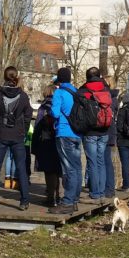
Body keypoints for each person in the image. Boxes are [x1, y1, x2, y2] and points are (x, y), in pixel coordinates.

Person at [0, 66, 33, 211]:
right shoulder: (23, 96)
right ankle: (24, 201)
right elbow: (28, 114)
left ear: (4, 77)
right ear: (16, 77)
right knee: (21, 168)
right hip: (17, 135)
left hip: (1, 135)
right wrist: (23, 128)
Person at [49, 67, 80, 214]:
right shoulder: (76, 92)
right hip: (77, 133)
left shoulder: (59, 92)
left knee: (68, 169)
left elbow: (55, 113)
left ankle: (67, 202)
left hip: (64, 132)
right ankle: (74, 200)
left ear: (59, 80)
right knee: (77, 167)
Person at [78, 67, 111, 202]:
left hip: (90, 131)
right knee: (101, 161)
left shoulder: (83, 91)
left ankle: (95, 193)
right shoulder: (105, 89)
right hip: (104, 130)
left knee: (92, 162)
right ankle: (102, 192)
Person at [31, 84, 61, 207]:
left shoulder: (43, 107)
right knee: (59, 170)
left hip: (46, 142)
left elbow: (37, 127)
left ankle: (50, 198)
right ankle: (59, 196)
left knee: (49, 172)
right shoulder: (59, 105)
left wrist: (34, 146)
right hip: (59, 140)